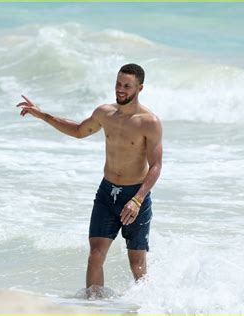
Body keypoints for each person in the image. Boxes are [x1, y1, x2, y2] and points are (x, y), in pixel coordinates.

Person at [16, 63, 163, 292]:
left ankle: (147, 307)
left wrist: (138, 199)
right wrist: (41, 114)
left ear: (140, 88)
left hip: (134, 196)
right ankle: (95, 307)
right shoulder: (105, 113)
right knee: (95, 255)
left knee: (137, 264)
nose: (120, 89)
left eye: (127, 86)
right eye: (118, 83)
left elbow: (156, 166)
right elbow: (78, 130)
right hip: (106, 193)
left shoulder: (149, 122)